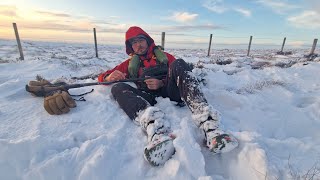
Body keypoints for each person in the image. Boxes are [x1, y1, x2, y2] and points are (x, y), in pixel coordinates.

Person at [97, 26, 238, 166]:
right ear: (130, 47)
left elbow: (181, 72)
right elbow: (102, 77)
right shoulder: (128, 65)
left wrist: (161, 83)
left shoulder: (166, 57)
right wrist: (109, 76)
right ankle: (155, 130)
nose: (138, 45)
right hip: (147, 97)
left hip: (170, 92)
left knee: (179, 63)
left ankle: (210, 126)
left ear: (147, 40)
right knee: (117, 87)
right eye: (134, 43)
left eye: (140, 40)